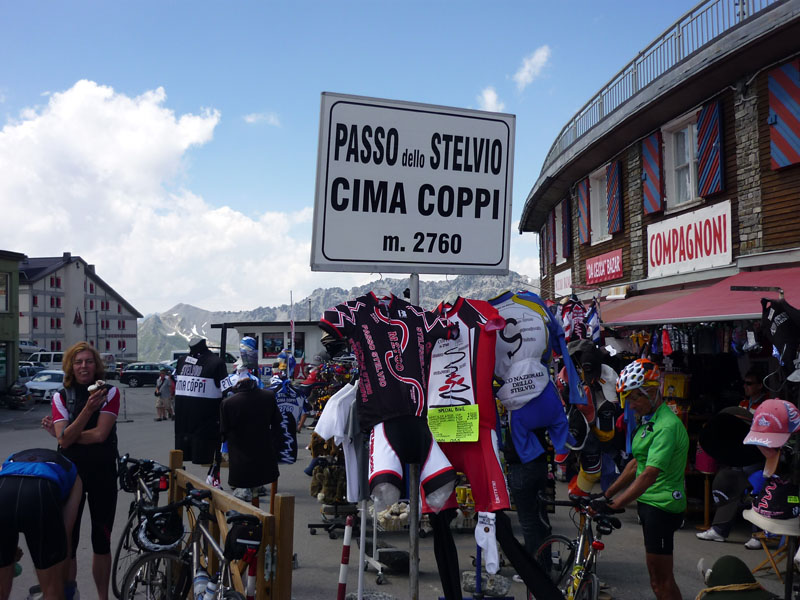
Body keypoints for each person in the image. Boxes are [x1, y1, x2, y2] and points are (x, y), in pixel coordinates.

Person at [594, 358, 688, 600]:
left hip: (662, 506)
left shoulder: (666, 426)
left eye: (634, 397)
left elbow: (649, 474)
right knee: (658, 581)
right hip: (650, 505)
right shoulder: (650, 421)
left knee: (661, 583)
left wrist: (616, 504)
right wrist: (606, 495)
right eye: (627, 399)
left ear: (653, 391)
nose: (631, 405)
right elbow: (635, 464)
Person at [40, 342, 120, 600]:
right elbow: (64, 441)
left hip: (102, 474)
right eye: (78, 362)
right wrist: (87, 411)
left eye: (88, 361)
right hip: (69, 475)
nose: (83, 366)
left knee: (101, 541)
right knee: (68, 543)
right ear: (70, 367)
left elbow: (99, 435)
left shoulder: (111, 392)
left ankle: (102, 597)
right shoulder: (60, 396)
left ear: (96, 365)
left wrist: (66, 435)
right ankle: (69, 595)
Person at [696, 369, 767, 547]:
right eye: (744, 383)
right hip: (740, 453)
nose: (746, 387)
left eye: (749, 383)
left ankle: (758, 534)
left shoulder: (766, 405)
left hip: (757, 455)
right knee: (727, 483)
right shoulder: (743, 403)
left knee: (757, 489)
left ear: (759, 385)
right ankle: (720, 530)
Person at [0, 448, 83, 600]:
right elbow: (65, 534)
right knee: (52, 591)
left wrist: (8, 549)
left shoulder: (12, 459)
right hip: (40, 492)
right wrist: (64, 584)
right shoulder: (74, 476)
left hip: (4, 490)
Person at [219, 373, 282, 503]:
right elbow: (277, 421)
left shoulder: (228, 403)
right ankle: (257, 488)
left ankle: (246, 491)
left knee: (243, 481)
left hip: (239, 451)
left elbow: (223, 431)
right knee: (260, 474)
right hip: (262, 446)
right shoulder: (268, 397)